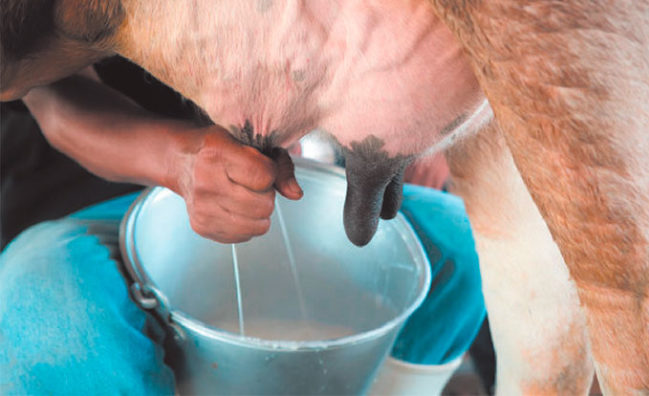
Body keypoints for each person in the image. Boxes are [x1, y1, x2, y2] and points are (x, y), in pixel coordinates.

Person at [0, 58, 485, 394]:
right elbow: (56, 101)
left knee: (459, 246)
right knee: (45, 303)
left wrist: (427, 124)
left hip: (279, 177)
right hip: (95, 188)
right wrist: (180, 162)